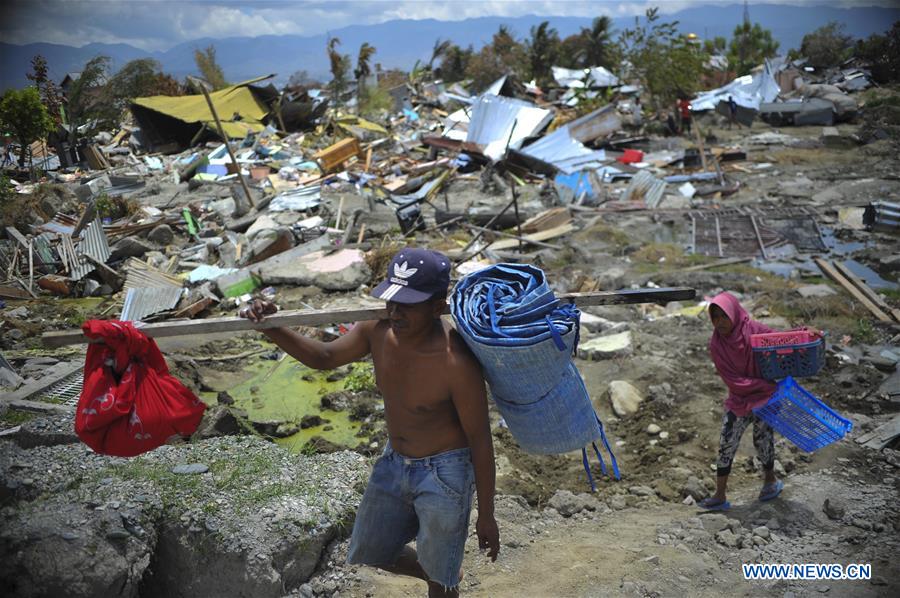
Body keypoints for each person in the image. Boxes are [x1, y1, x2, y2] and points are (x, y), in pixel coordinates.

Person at [240, 247, 499, 597]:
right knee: (371, 550)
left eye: (408, 304)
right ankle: (441, 568)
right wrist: (271, 327)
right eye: (392, 300)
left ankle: (442, 576)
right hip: (395, 461)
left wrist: (486, 514)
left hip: (445, 472)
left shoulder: (455, 362)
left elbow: (480, 440)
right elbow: (324, 356)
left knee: (441, 582)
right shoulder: (377, 332)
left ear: (438, 306)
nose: (395, 311)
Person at [699, 292, 783, 511]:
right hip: (740, 399)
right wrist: (768, 386)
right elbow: (733, 381)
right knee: (727, 443)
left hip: (765, 400)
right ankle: (719, 495)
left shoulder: (754, 330)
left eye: (723, 316)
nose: (719, 322)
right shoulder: (717, 344)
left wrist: (806, 333)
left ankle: (770, 481)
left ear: (734, 314)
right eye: (715, 317)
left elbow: (782, 341)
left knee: (763, 440)